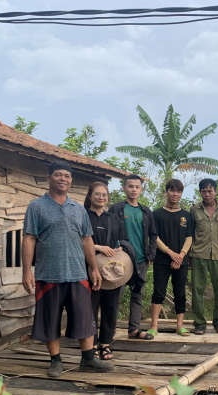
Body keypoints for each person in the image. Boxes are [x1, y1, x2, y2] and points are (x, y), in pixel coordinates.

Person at [22, 161, 113, 378]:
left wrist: (93, 268)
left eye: (67, 176)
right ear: (49, 177)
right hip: (48, 273)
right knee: (49, 319)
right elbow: (29, 239)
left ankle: (88, 359)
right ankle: (56, 361)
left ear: (71, 181)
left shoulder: (78, 209)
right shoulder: (36, 207)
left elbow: (87, 240)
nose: (63, 179)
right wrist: (27, 270)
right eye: (58, 175)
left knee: (85, 317)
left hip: (77, 273)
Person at [108, 174, 158, 340]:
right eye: (130, 186)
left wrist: (150, 255)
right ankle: (109, 332)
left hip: (141, 260)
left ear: (141, 190)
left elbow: (153, 235)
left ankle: (134, 330)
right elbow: (109, 232)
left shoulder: (146, 211)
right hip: (120, 259)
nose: (133, 190)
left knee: (137, 295)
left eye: (137, 187)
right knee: (115, 296)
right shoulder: (116, 209)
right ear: (124, 188)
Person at [84, 182, 129, 361]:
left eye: (104, 195)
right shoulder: (83, 216)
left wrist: (119, 250)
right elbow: (77, 240)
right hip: (88, 268)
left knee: (110, 307)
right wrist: (99, 247)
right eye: (97, 194)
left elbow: (124, 240)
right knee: (91, 307)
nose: (101, 197)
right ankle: (92, 344)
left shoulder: (114, 219)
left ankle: (106, 343)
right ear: (89, 196)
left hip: (111, 271)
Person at [189, 178, 218, 335]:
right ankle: (199, 322)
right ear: (200, 192)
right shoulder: (194, 209)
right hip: (198, 254)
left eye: (210, 191)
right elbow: (190, 234)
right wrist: (189, 254)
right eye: (204, 191)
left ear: (215, 191)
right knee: (197, 289)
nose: (207, 194)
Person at [151, 179, 195, 336]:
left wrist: (181, 255)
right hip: (162, 260)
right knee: (159, 292)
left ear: (181, 194)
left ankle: (180, 326)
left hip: (181, 261)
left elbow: (189, 237)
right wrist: (170, 253)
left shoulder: (186, 216)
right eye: (172, 190)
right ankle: (154, 325)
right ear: (166, 191)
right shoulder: (156, 214)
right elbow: (154, 237)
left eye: (178, 191)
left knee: (180, 292)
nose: (175, 194)